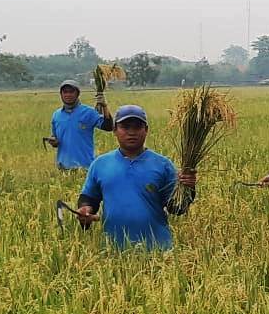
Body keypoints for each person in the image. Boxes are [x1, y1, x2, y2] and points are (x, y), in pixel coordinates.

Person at [75, 105, 196, 249]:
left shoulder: (163, 165)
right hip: (114, 251)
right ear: (115, 130)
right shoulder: (100, 164)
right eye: (125, 127)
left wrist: (188, 188)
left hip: (158, 250)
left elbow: (177, 208)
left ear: (146, 130)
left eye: (137, 127)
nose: (131, 132)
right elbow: (90, 199)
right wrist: (85, 210)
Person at [48, 78, 112, 170]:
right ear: (61, 94)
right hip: (63, 168)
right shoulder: (56, 115)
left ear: (77, 94)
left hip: (85, 167)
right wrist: (53, 142)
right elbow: (55, 139)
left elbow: (108, 127)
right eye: (65, 92)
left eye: (71, 92)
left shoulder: (89, 112)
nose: (68, 95)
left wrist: (104, 106)